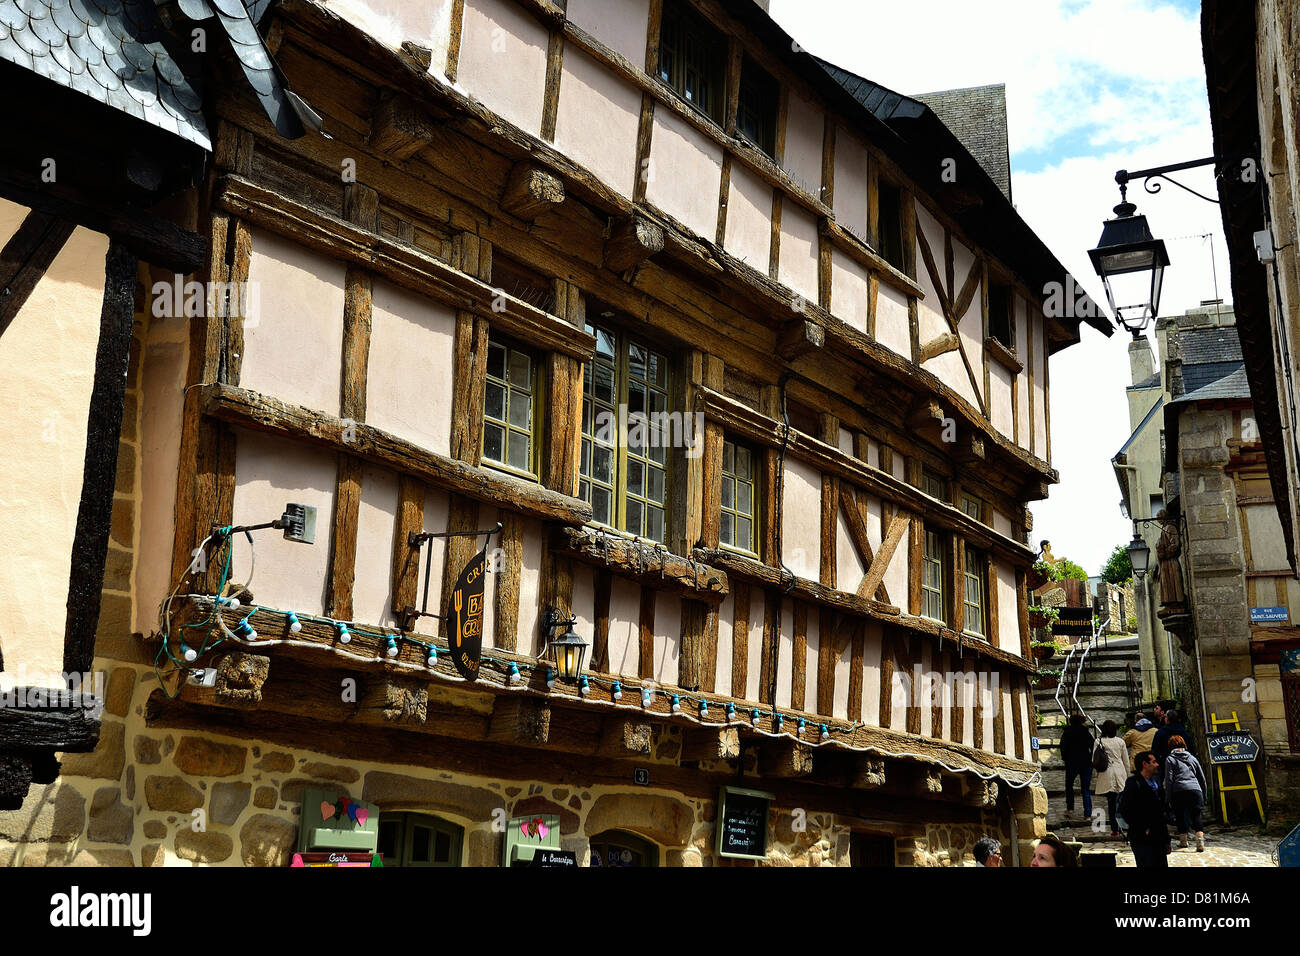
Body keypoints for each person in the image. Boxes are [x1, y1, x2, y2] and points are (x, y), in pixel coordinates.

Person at [1119, 751, 1171, 867]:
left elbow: (1160, 815)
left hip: (1158, 838)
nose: (1157, 764)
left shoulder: (1156, 785)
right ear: (1144, 764)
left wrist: (1166, 840)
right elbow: (1126, 810)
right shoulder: (1133, 783)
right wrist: (1144, 828)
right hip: (1141, 839)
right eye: (1154, 762)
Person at [1164, 734, 1208, 852]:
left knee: (1180, 816)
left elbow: (1169, 779)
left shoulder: (1170, 759)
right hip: (1195, 789)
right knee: (1196, 816)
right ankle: (1200, 842)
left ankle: (1183, 841)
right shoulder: (1192, 758)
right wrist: (1204, 794)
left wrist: (1168, 797)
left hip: (1179, 790)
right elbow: (1201, 777)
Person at [1094, 719, 1129, 837]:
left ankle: (1115, 829)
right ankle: (1124, 826)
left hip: (1106, 774)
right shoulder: (1120, 742)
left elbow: (1094, 760)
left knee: (1111, 803)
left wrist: (1097, 774)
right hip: (1120, 772)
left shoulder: (1098, 741)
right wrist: (1129, 776)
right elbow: (1126, 761)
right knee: (1123, 802)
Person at [1059, 713, 1094, 820]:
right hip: (1085, 763)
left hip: (1071, 763)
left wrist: (1065, 758)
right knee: (1085, 789)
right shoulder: (1085, 732)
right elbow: (1092, 745)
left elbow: (1062, 747)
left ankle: (1070, 808)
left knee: (1069, 786)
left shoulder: (1067, 732)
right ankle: (1087, 814)